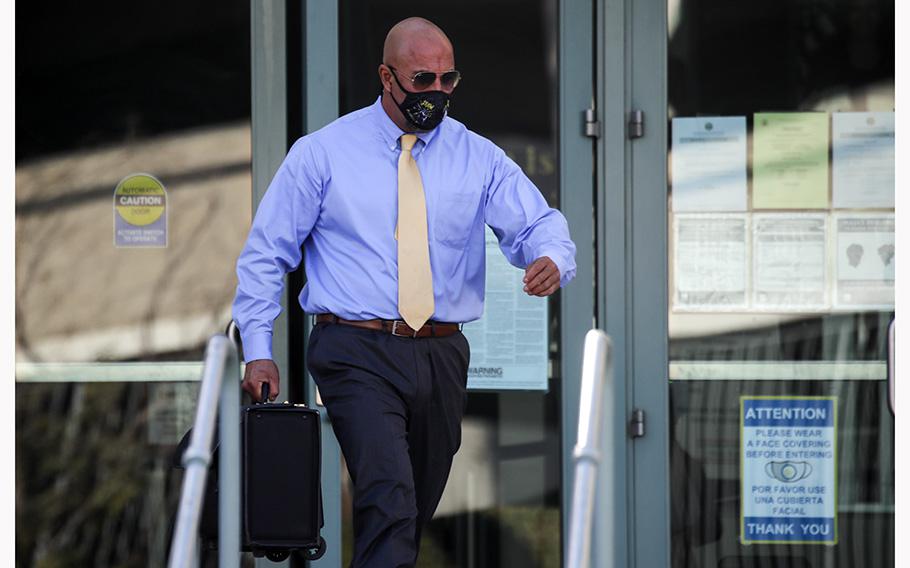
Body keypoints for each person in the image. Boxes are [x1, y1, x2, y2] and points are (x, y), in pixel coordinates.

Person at [232, 16, 576, 567]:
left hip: (441, 351)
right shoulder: (323, 153)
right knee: (390, 495)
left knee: (412, 507)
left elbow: (540, 223)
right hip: (355, 349)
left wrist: (551, 259)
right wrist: (257, 348)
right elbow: (266, 253)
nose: (436, 93)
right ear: (386, 77)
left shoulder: (477, 156)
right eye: (422, 80)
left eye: (448, 80)